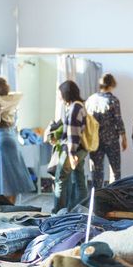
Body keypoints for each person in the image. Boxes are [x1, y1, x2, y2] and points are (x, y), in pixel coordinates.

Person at [0, 76, 35, 203]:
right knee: (13, 179)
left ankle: (6, 209)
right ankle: (12, 207)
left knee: (3, 180)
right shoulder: (12, 99)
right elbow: (19, 93)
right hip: (12, 138)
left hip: (1, 139)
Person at [85, 73, 127, 187]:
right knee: (115, 171)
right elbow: (118, 120)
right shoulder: (113, 100)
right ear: (112, 84)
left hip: (94, 140)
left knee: (96, 171)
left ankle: (97, 198)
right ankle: (113, 197)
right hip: (111, 139)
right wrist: (124, 137)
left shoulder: (91, 99)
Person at [52, 80, 88, 213]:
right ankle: (82, 209)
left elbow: (73, 134)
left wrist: (71, 154)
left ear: (66, 93)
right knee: (79, 179)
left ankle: (58, 211)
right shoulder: (80, 106)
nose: (58, 94)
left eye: (59, 91)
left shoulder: (74, 109)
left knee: (60, 180)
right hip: (82, 149)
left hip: (72, 150)